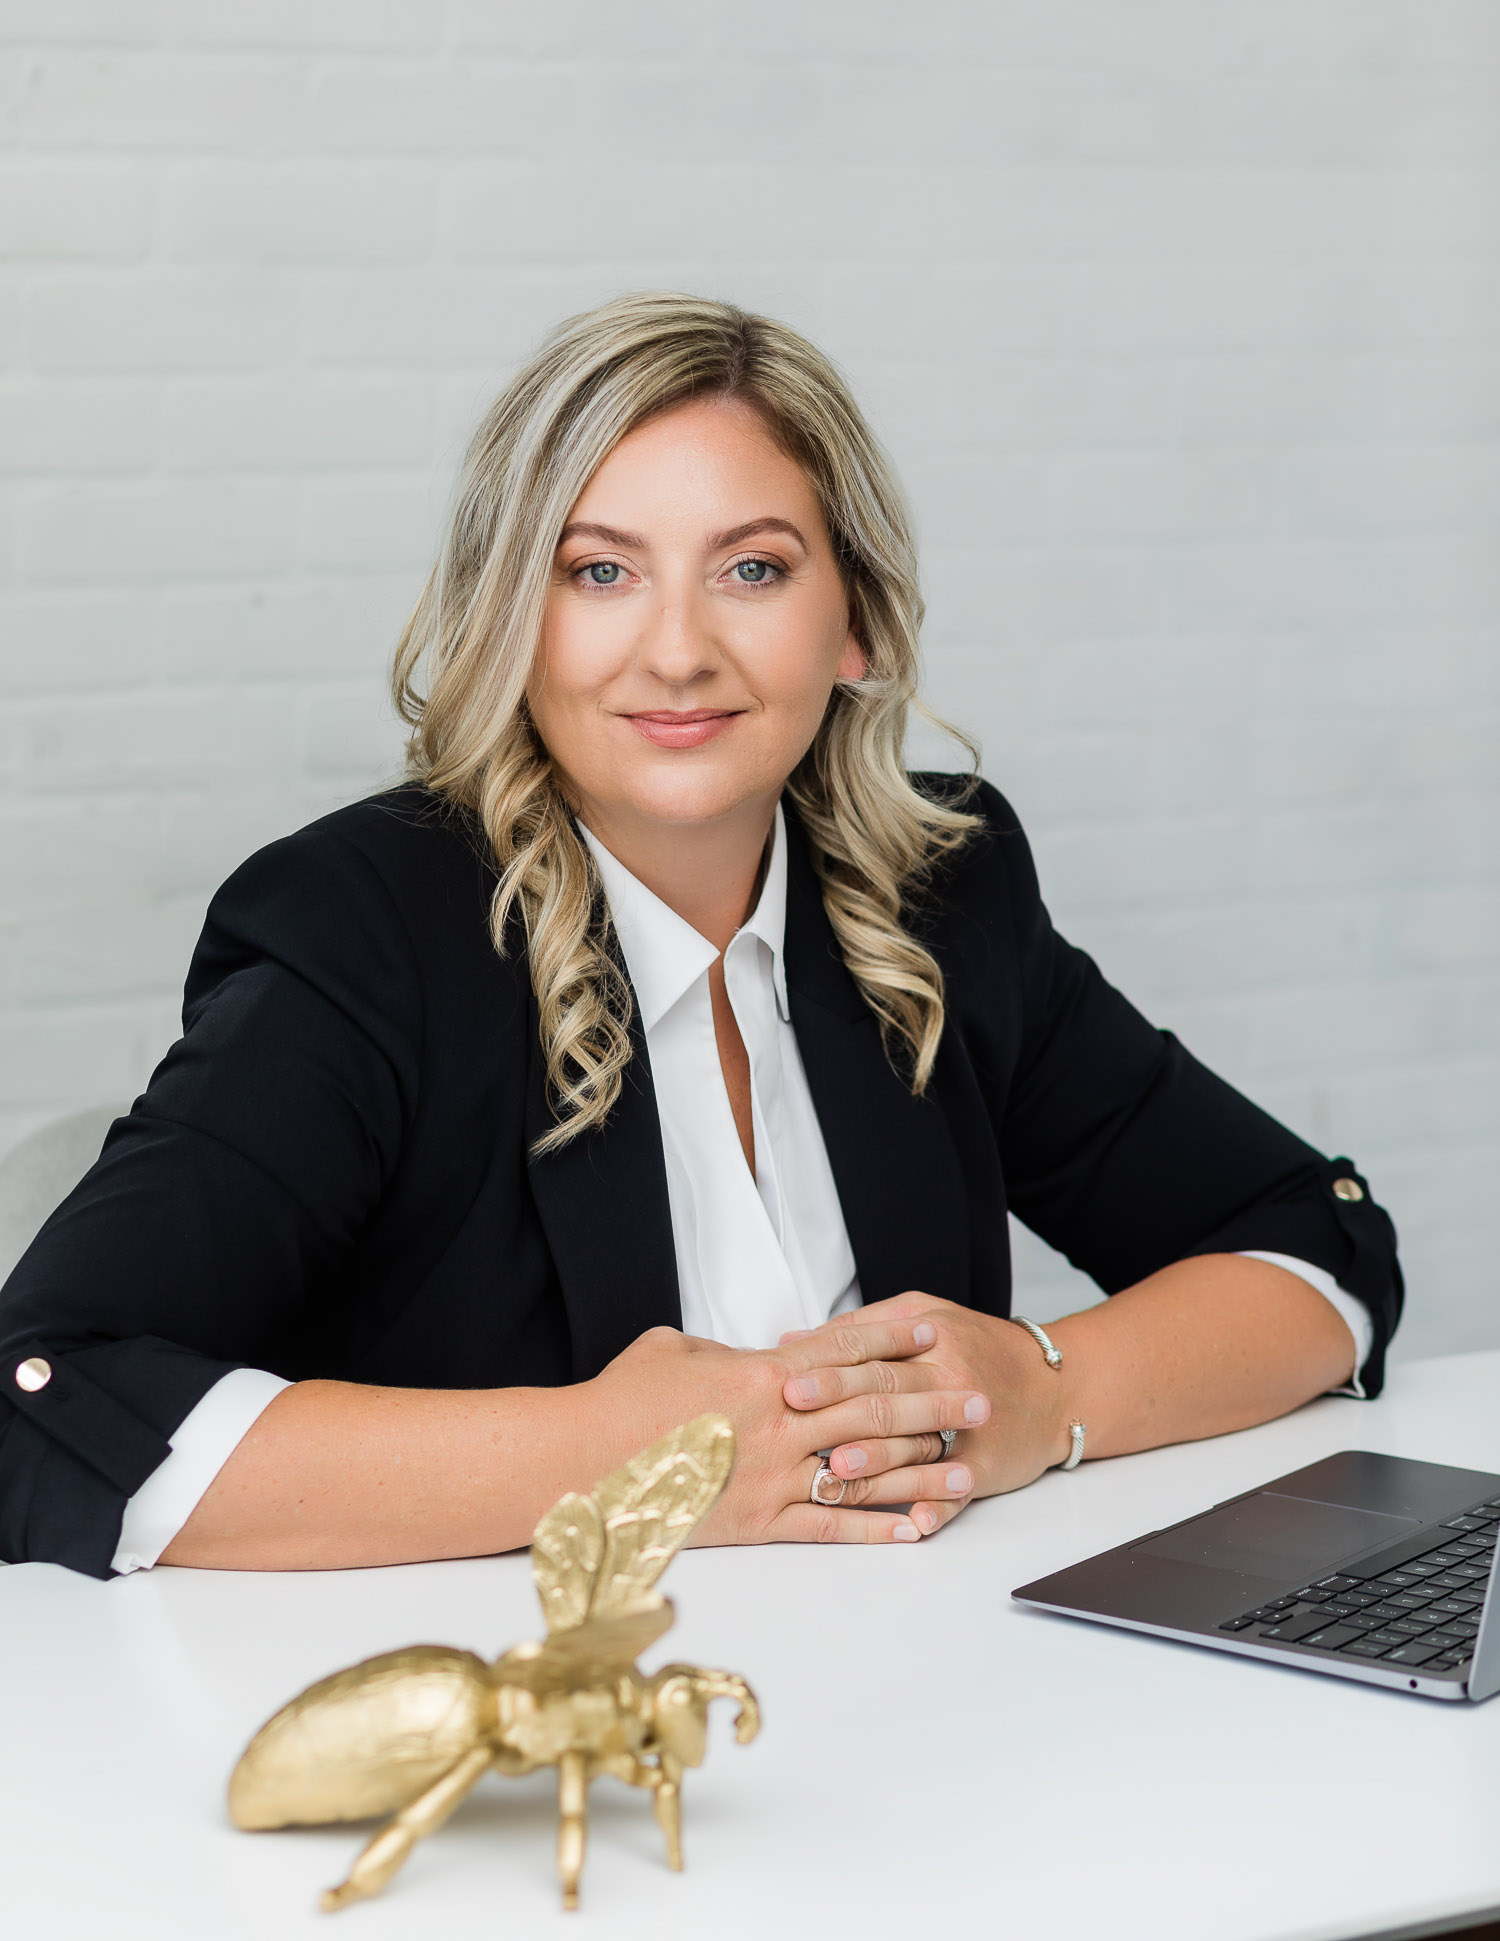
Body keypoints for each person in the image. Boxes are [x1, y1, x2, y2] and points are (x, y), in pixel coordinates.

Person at [0, 293, 1400, 1581]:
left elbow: (1315, 1249)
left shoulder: (939, 891)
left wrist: (1050, 1388)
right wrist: (620, 1461)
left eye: (751, 569)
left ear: (851, 620)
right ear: (514, 621)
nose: (676, 650)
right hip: (514, 1754)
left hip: (930, 1722)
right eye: (601, 573)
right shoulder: (365, 934)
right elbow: (42, 1400)